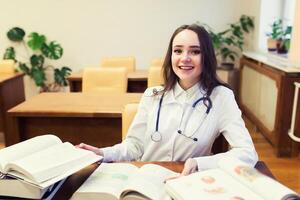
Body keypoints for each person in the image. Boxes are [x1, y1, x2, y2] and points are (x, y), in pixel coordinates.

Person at [78, 24, 258, 176]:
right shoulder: (152, 95)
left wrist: (199, 164)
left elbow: (247, 153)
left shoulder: (221, 97)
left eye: (195, 51)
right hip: (146, 178)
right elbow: (134, 146)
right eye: (178, 50)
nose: (184, 58)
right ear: (170, 56)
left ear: (206, 57)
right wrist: (102, 153)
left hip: (187, 181)